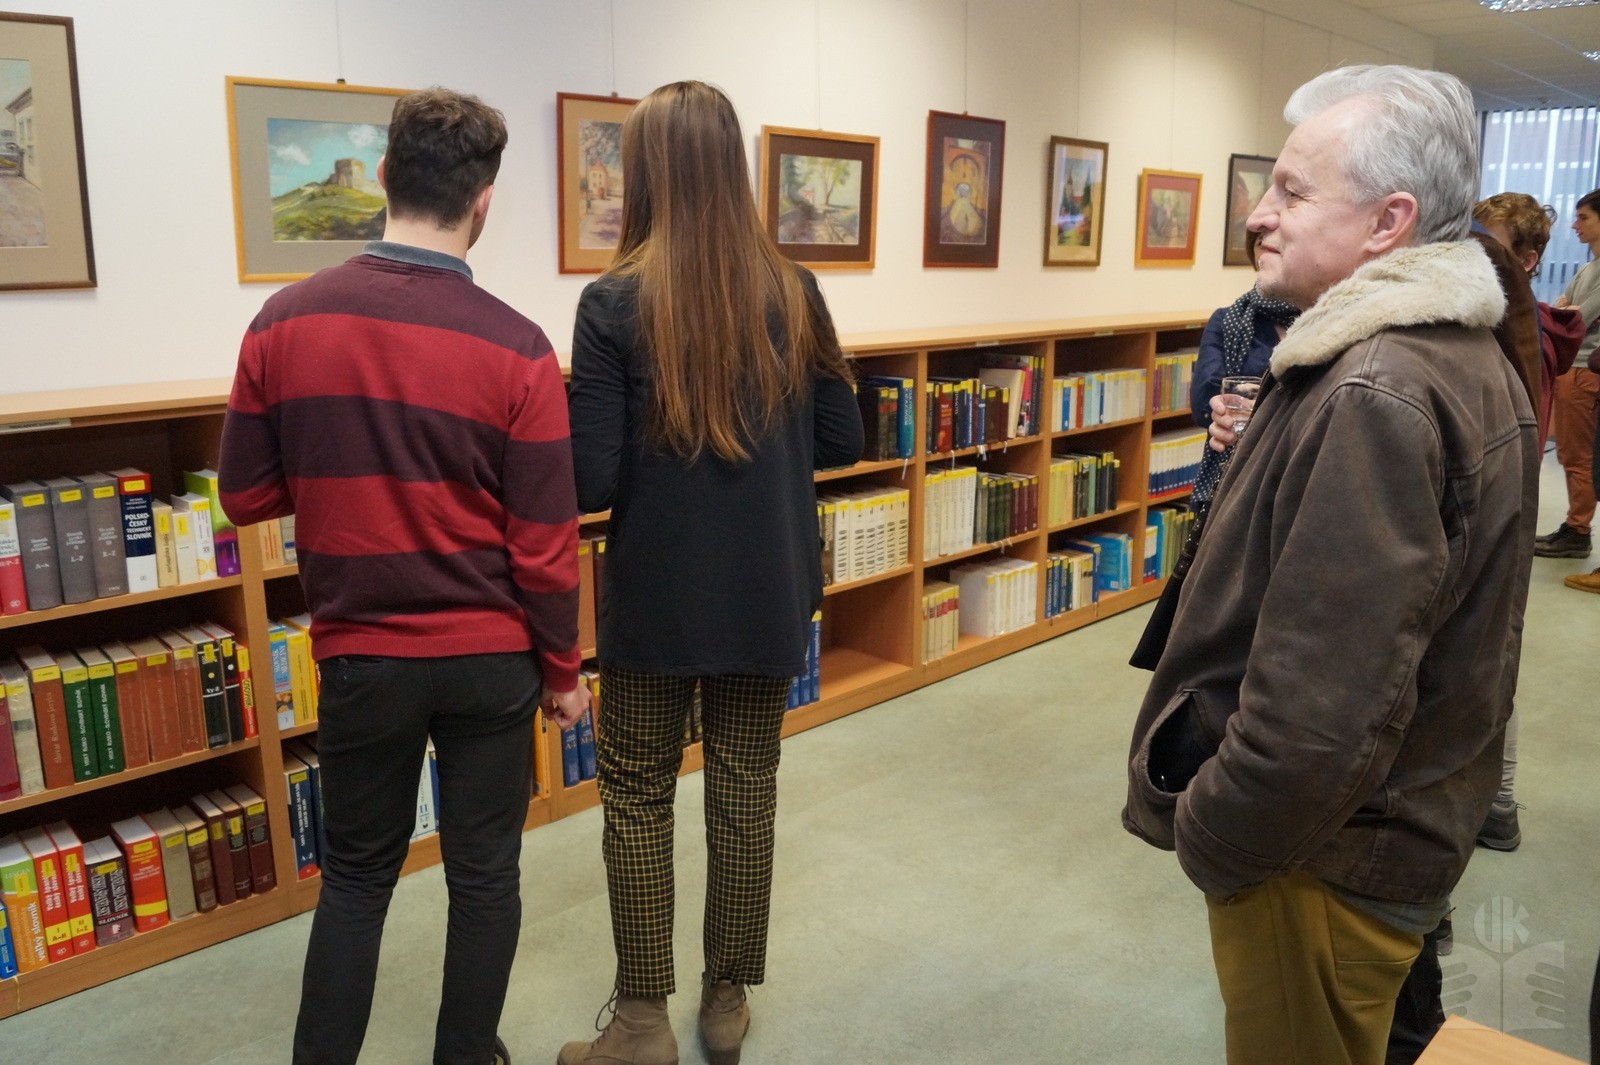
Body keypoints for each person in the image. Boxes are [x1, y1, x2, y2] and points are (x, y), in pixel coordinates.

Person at [1122, 64, 1537, 1065]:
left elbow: (1323, 699)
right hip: (1383, 826)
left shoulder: (1377, 389)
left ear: (1389, 222)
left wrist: (1217, 834)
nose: (1257, 215)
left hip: (1322, 857)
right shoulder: (1439, 355)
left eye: (1292, 191)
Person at [218, 88, 589, 1065]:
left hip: (362, 658)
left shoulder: (280, 323)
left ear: (383, 176)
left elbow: (243, 498)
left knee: (354, 879)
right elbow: (543, 542)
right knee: (485, 874)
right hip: (491, 661)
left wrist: (339, 470)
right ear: (484, 201)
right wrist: (562, 671)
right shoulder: (520, 348)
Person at [561, 81, 863, 1065]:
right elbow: (844, 439)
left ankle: (642, 1020)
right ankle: (726, 998)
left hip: (656, 597)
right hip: (768, 584)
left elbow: (590, 479)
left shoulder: (611, 303)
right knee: (745, 785)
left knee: (637, 792)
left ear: (646, 174)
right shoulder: (794, 290)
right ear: (732, 170)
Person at [1188, 231, 1300, 516]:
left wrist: (1257, 404)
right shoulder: (1228, 320)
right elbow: (1205, 402)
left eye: (1277, 245)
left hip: (1297, 473)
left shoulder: (1329, 321)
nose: (1267, 251)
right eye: (1260, 243)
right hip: (1236, 475)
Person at [1535, 188, 1600, 560]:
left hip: (1585, 370)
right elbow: (1563, 309)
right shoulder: (1589, 268)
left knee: (1578, 457)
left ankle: (1578, 531)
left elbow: (1576, 318)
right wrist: (1566, 312)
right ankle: (1575, 526)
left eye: (1583, 218)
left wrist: (1566, 312)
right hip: (1572, 368)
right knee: (1570, 454)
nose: (1575, 226)